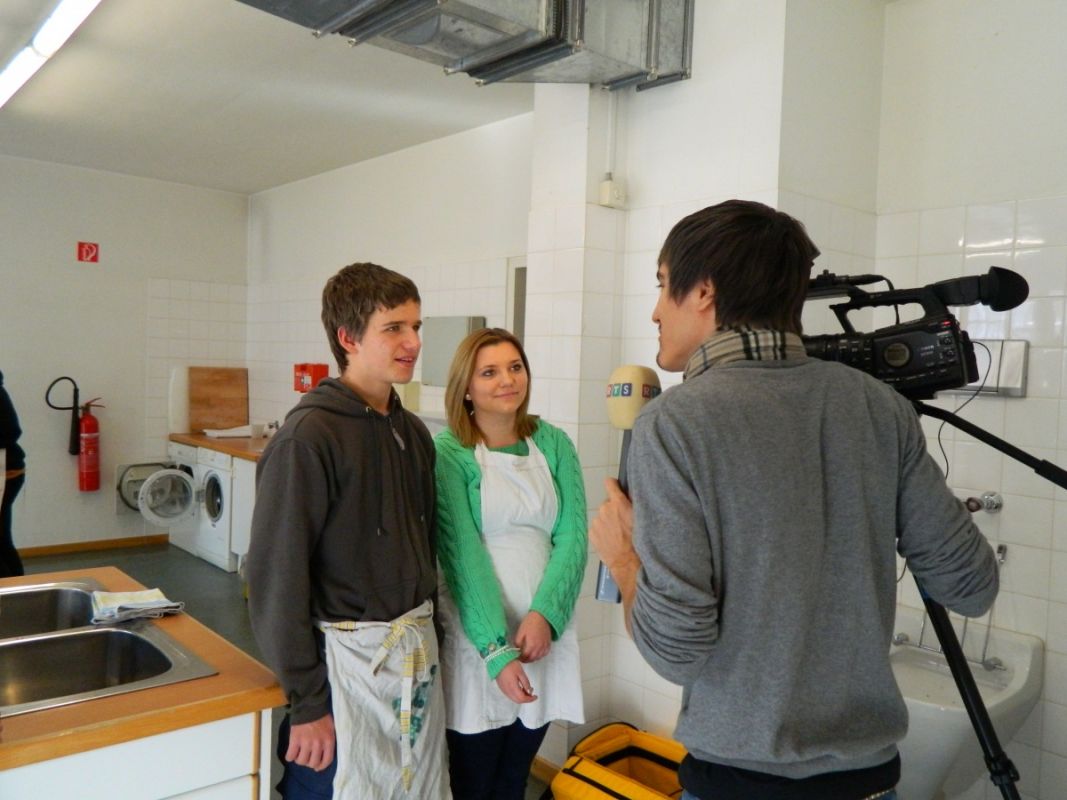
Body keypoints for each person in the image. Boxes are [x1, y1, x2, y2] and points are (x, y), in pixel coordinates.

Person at [590, 200, 999, 800]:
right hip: (870, 781)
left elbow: (677, 652)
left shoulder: (675, 422)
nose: (655, 311)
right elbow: (971, 587)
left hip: (741, 783)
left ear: (703, 291)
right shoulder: (879, 406)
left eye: (661, 285)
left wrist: (625, 560)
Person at [246, 262, 448, 799]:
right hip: (340, 675)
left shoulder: (412, 434)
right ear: (348, 338)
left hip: (412, 660)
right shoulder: (308, 438)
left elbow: (424, 549)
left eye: (416, 326)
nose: (413, 342)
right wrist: (307, 702)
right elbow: (276, 579)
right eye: (394, 328)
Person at [434, 327, 587, 800]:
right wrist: (496, 651)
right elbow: (462, 556)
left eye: (515, 367)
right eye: (490, 372)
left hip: (543, 637)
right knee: (474, 783)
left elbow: (573, 537)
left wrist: (546, 616)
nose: (507, 380)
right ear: (466, 387)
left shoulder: (554, 443)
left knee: (514, 779)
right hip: (479, 639)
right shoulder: (450, 452)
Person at [1, 370, 26, 578]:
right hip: (9, 469)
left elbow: (9, 432)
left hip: (5, 470)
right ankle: (18, 590)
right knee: (2, 540)